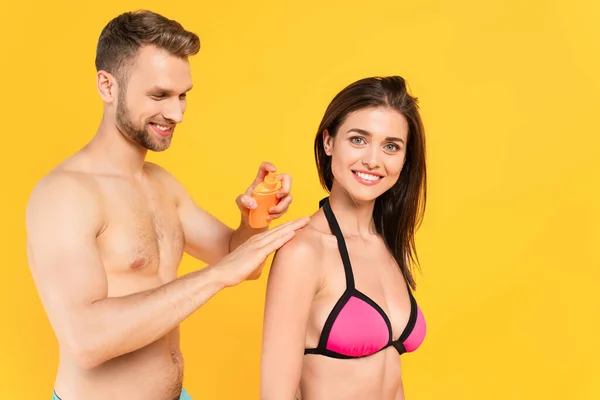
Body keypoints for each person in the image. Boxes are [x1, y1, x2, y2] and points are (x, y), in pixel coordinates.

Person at [25, 10, 308, 400]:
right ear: (107, 86)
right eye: (159, 95)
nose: (176, 113)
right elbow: (85, 340)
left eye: (182, 95)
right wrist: (217, 276)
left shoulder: (162, 184)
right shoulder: (64, 196)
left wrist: (255, 216)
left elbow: (236, 259)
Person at [260, 76, 428, 400]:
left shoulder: (390, 243)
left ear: (405, 159)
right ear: (328, 142)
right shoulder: (303, 251)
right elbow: (276, 395)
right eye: (358, 140)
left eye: (391, 146)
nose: (373, 160)